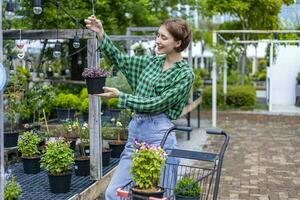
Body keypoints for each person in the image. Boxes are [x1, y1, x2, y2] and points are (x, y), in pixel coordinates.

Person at [85, 16, 194, 200]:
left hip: (160, 134)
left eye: (163, 37)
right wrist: (101, 33)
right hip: (137, 132)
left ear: (178, 42)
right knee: (114, 193)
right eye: (157, 35)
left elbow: (157, 103)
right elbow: (120, 60)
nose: (157, 41)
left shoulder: (185, 74)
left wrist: (121, 96)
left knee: (163, 195)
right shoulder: (152, 62)